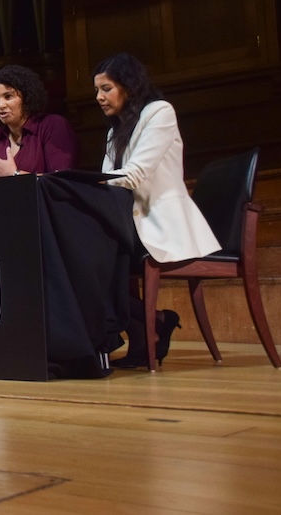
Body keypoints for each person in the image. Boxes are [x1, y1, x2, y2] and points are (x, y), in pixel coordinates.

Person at [93, 53, 221, 368]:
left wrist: (91, 188)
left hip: (160, 223)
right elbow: (110, 182)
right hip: (131, 222)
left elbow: (135, 174)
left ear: (128, 86)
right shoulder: (114, 132)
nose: (99, 97)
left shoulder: (159, 113)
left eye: (106, 88)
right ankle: (154, 324)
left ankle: (145, 328)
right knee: (86, 254)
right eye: (97, 91)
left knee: (93, 256)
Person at [0, 64, 78, 180]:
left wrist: (15, 174)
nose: (0, 105)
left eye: (8, 96)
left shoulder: (52, 126)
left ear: (26, 97)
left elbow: (61, 182)